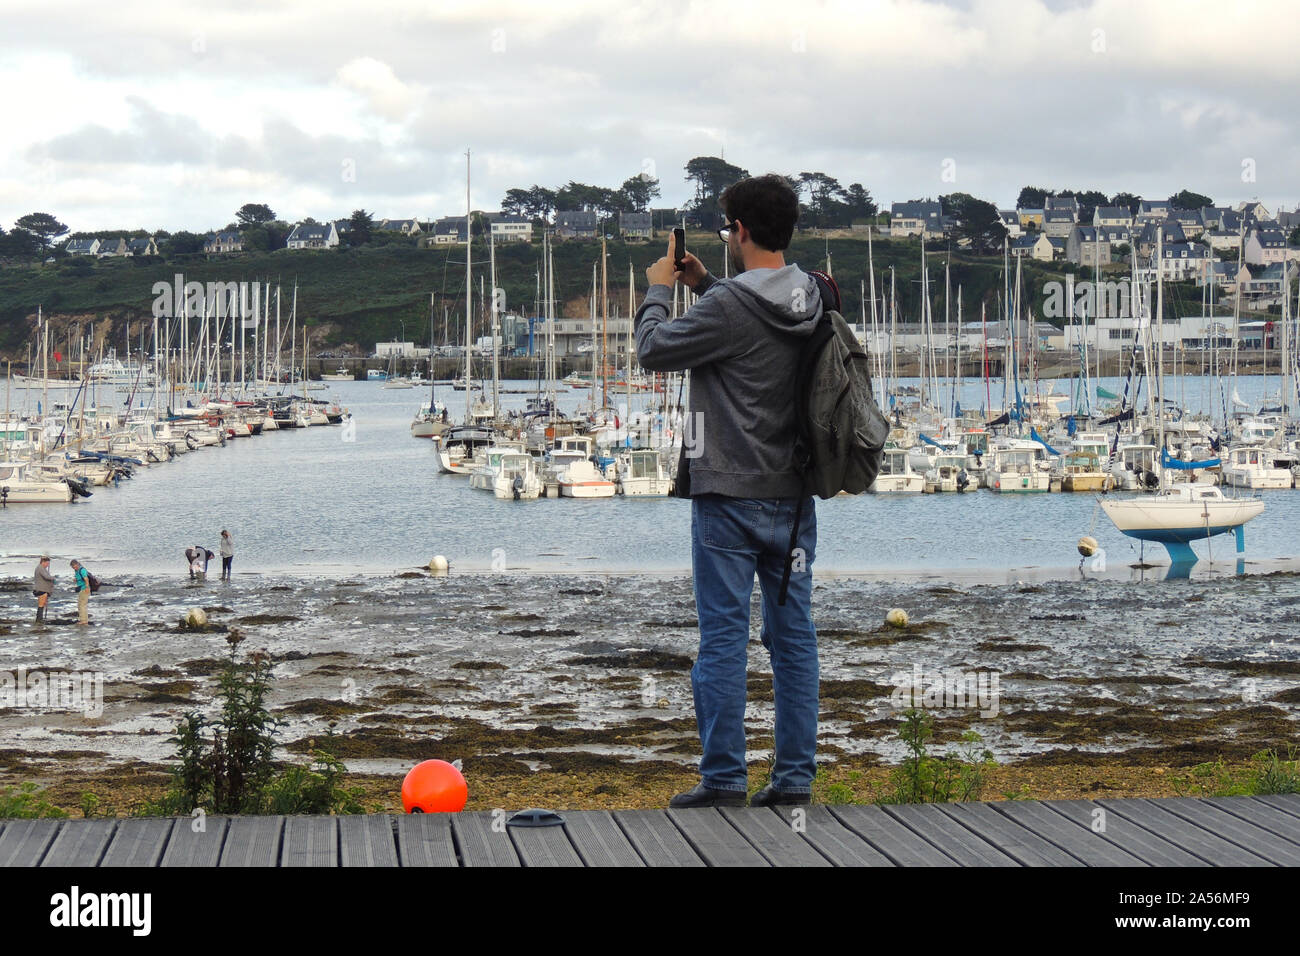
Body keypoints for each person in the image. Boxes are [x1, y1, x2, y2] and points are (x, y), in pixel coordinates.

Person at [635, 174, 821, 809]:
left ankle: (723, 780)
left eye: (727, 230)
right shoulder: (814, 295)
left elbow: (652, 349)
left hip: (726, 495)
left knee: (722, 638)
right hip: (794, 499)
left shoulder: (727, 307)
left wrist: (662, 287)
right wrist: (707, 286)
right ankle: (794, 778)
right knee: (792, 637)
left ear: (738, 231)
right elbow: (758, 325)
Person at [33, 556, 54, 623]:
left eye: (48, 564)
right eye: (47, 563)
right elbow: (46, 577)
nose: (48, 565)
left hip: (42, 589)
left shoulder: (42, 568)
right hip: (41, 589)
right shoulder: (40, 568)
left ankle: (40, 618)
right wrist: (53, 578)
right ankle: (39, 619)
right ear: (43, 562)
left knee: (43, 603)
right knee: (41, 604)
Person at [70, 559, 90, 625]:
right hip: (81, 588)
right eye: (73, 567)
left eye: (75, 567)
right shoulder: (77, 570)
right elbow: (80, 578)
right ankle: (83, 620)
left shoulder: (82, 570)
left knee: (82, 605)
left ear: (77, 564)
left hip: (84, 589)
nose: (74, 568)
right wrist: (76, 579)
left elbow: (86, 579)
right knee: (80, 605)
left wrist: (87, 588)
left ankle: (84, 621)